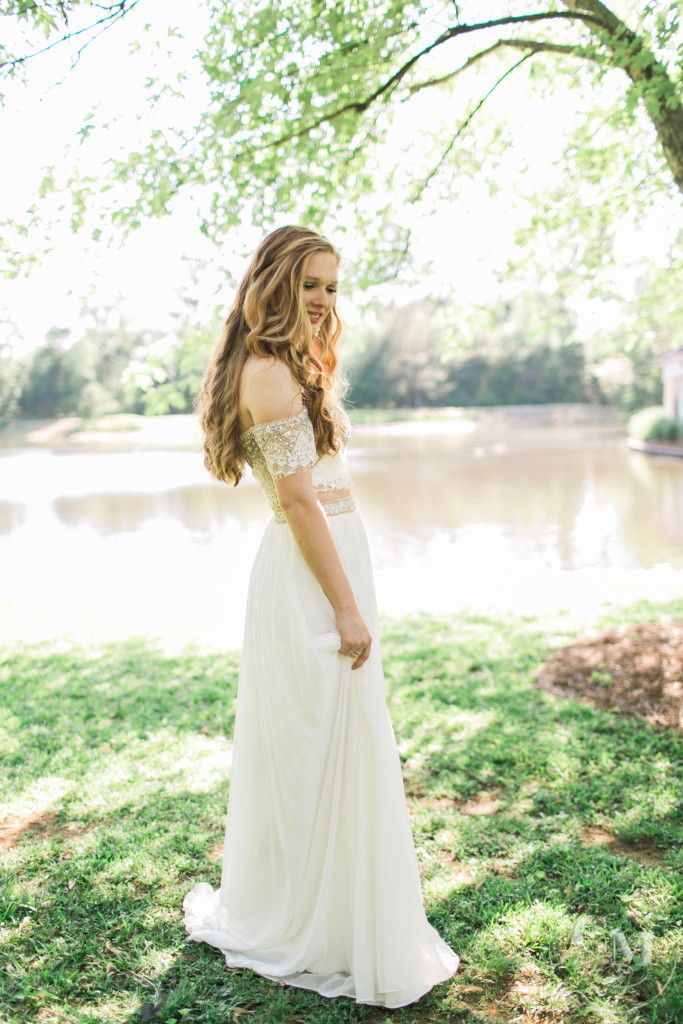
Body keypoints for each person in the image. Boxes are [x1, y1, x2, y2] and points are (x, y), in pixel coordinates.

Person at [183, 225, 459, 1007]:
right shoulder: (265, 373)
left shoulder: (287, 363)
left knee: (336, 741)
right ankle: (318, 923)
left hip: (328, 560)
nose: (324, 300)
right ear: (272, 282)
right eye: (310, 284)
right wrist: (344, 605)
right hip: (311, 576)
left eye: (333, 287)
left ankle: (337, 911)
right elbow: (300, 501)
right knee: (319, 745)